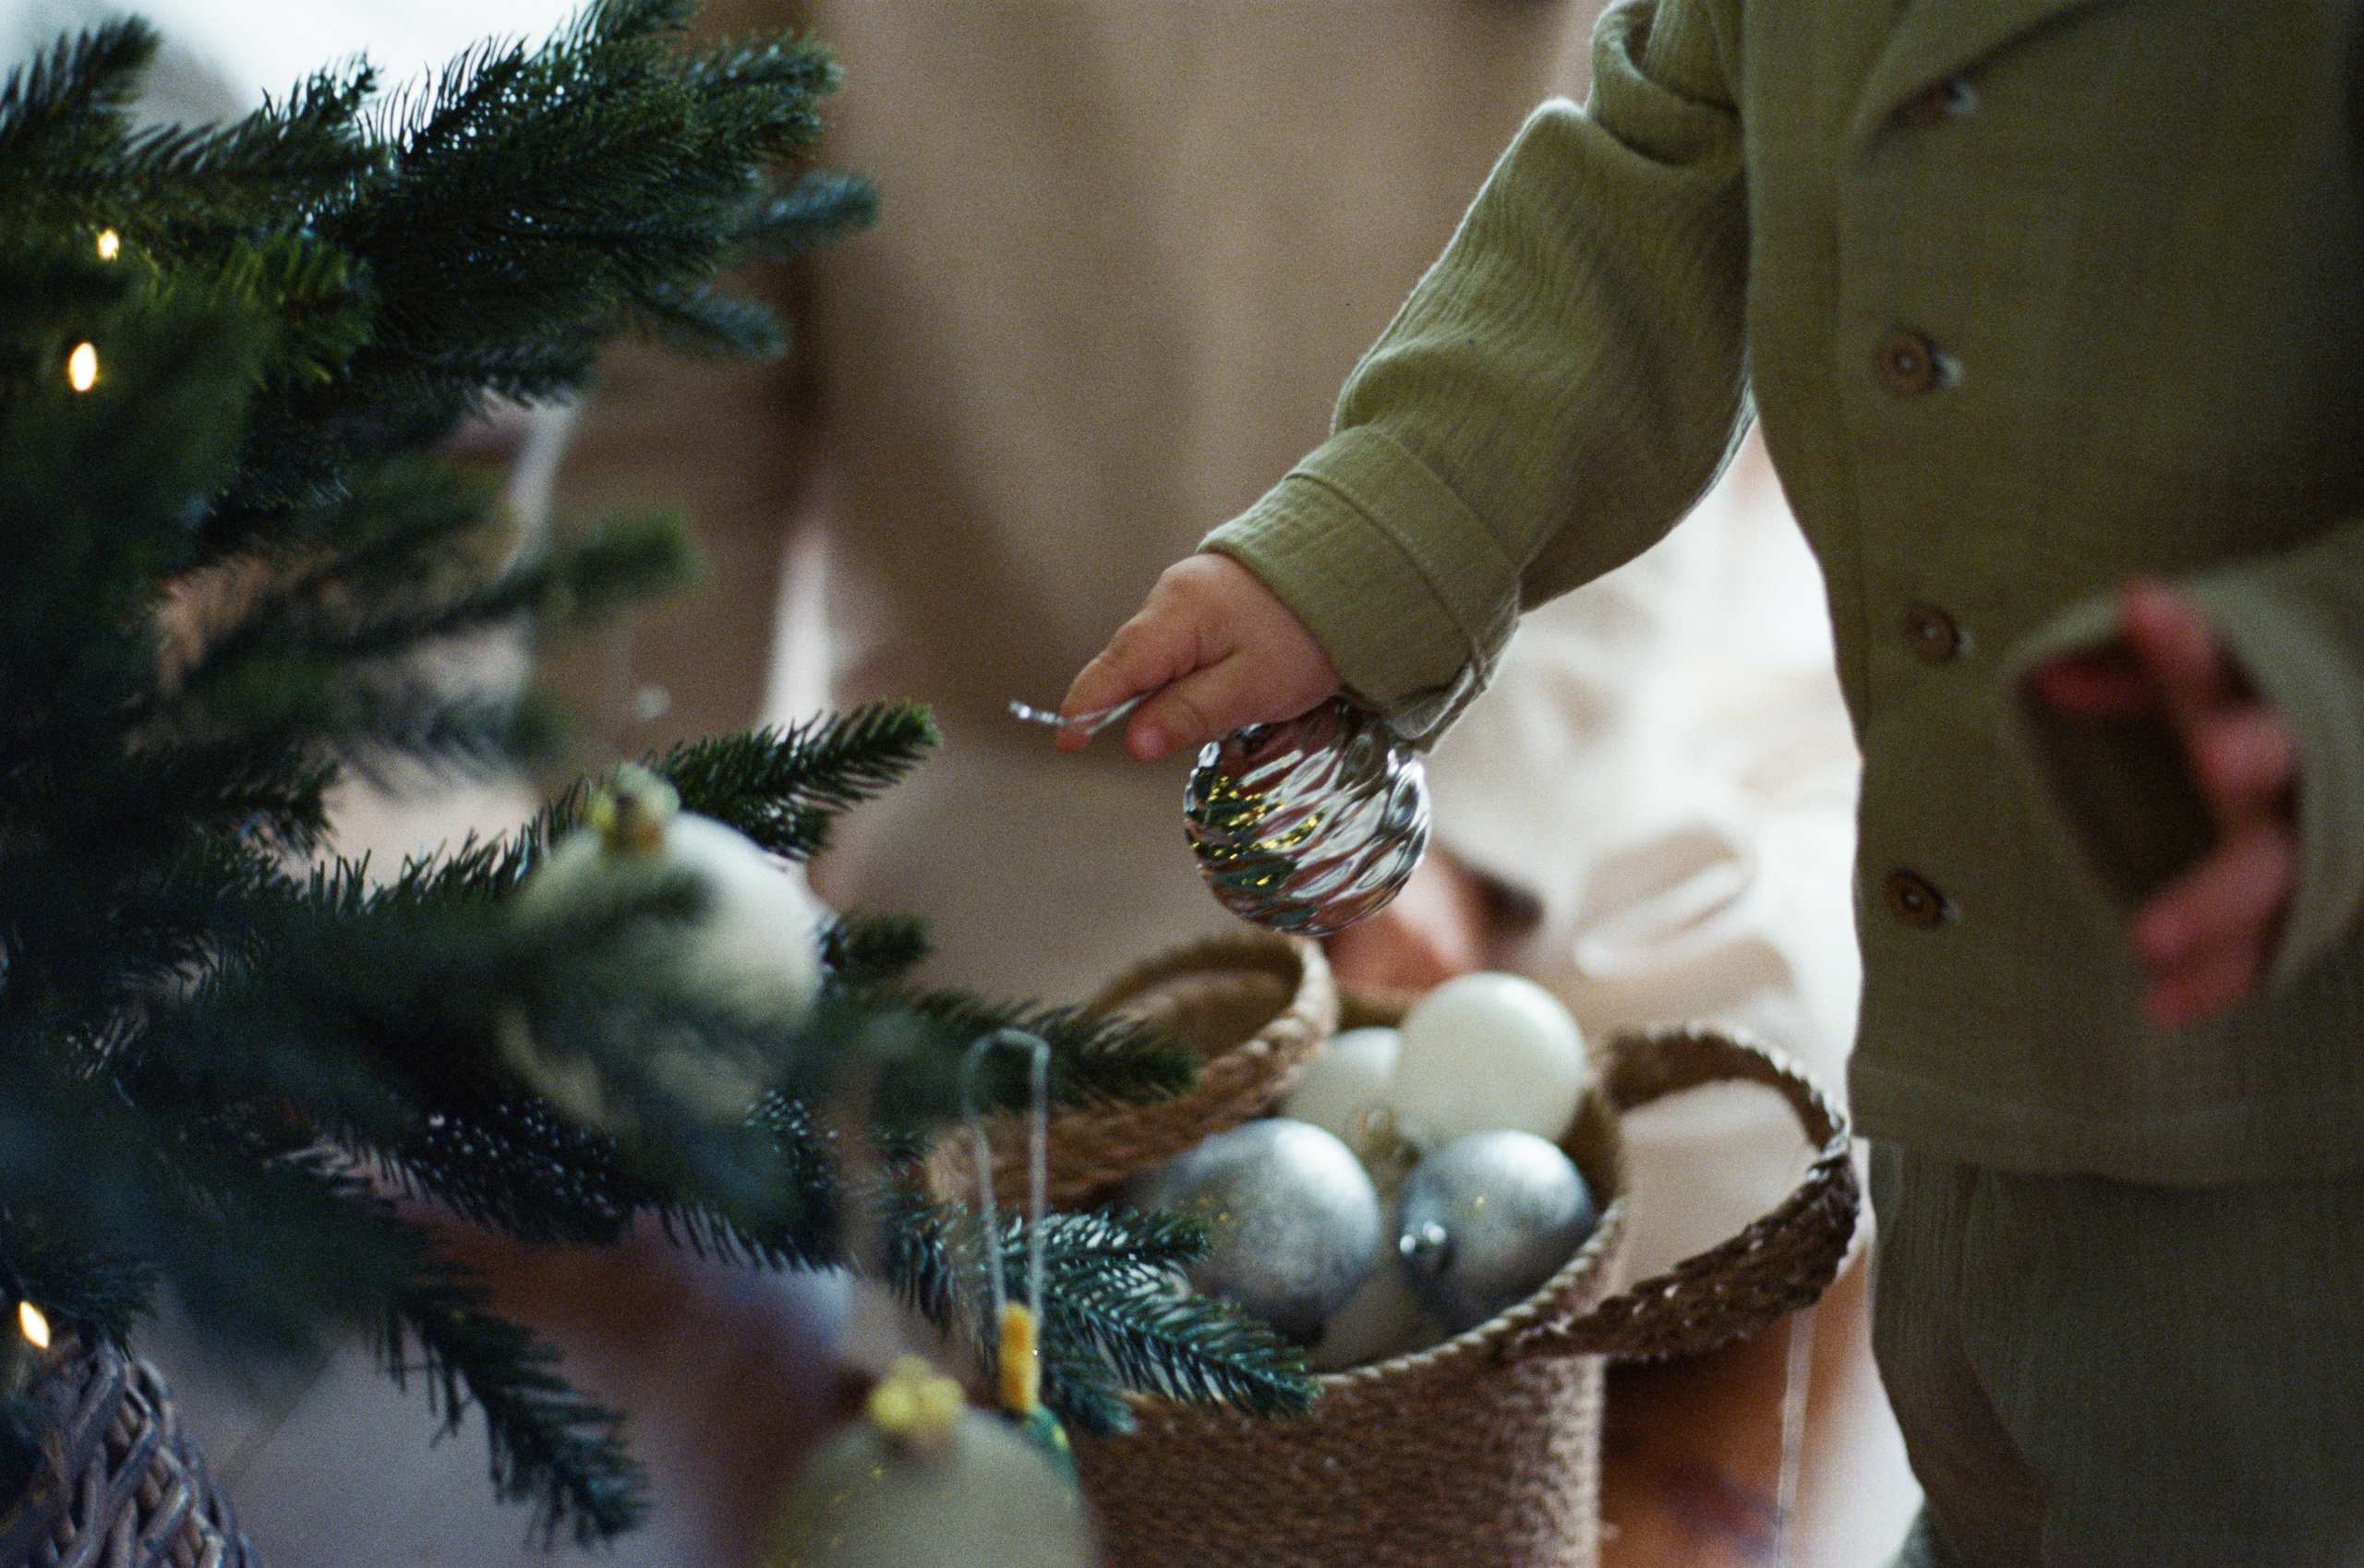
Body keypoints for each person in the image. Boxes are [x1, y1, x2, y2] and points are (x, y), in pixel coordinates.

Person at [1059, 0, 2364, 1562]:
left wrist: (2322, 708)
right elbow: (1656, 181)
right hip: (1966, 1067)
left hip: (2295, 1120)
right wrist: (1354, 558)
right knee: (1990, 1489)